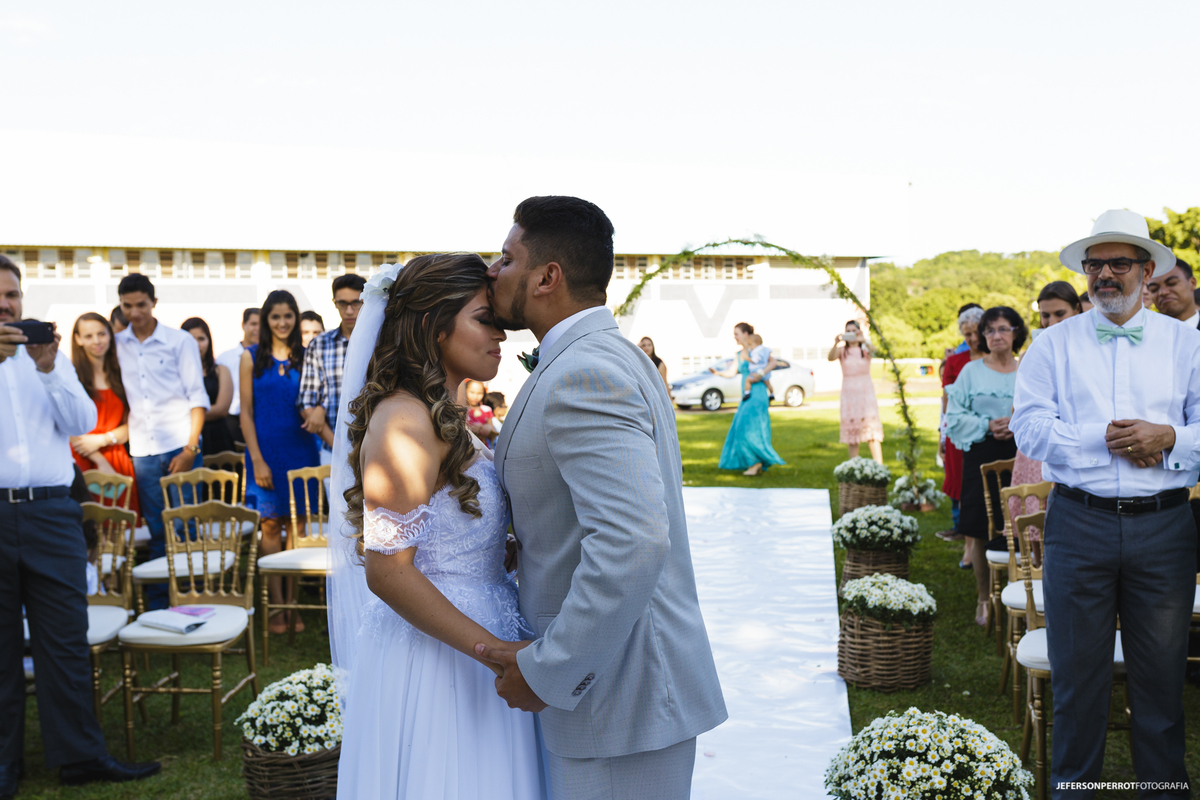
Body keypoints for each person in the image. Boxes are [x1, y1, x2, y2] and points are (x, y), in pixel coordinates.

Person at [481, 196, 727, 800]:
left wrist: (549, 671)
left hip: (621, 699)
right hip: (617, 696)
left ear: (547, 277)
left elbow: (633, 540)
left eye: (505, 257)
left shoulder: (582, 374)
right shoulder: (598, 358)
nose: (493, 271)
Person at [329, 253, 546, 798]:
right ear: (432, 323)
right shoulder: (404, 419)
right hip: (439, 657)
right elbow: (388, 571)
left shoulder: (446, 415)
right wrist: (493, 652)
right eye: (484, 319)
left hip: (479, 633)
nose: (500, 335)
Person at [1011, 209, 1200, 795]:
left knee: (1161, 684)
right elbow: (1030, 430)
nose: (1105, 275)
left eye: (1120, 263)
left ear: (1148, 272)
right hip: (1078, 524)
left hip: (1165, 528)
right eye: (1095, 265)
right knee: (1077, 683)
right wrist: (1103, 439)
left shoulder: (1185, 342)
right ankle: (1075, 790)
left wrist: (1168, 438)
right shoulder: (1051, 344)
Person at [0, 256, 161, 793]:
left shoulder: (45, 356)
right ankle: (5, 765)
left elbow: (81, 423)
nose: (7, 304)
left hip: (50, 511)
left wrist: (49, 368)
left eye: (13, 294)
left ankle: (80, 757)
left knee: (65, 641)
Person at [115, 274, 209, 610]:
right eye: (128, 306)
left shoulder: (179, 341)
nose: (135, 312)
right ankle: (160, 606)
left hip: (179, 445)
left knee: (185, 528)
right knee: (157, 530)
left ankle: (193, 600)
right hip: (142, 450)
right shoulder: (118, 343)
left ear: (153, 302)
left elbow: (197, 397)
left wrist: (190, 449)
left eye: (141, 304)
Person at [240, 290, 319, 635]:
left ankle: (293, 603)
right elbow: (245, 412)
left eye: (289, 316)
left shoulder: (308, 355)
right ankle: (276, 607)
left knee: (298, 527)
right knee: (270, 526)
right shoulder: (250, 357)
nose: (283, 323)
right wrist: (256, 459)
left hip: (302, 451)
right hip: (264, 453)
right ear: (266, 319)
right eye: (276, 317)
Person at [945, 306, 1025, 628]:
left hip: (1023, 454)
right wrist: (987, 424)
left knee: (1022, 524)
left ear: (1016, 332)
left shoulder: (1028, 369)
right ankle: (984, 596)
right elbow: (954, 415)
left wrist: (1017, 424)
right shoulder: (970, 372)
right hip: (980, 454)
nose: (995, 336)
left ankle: (1022, 593)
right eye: (989, 331)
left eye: (1002, 329)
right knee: (978, 526)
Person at [68, 312, 138, 516]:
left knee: (121, 528)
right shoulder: (71, 375)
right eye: (88, 336)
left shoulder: (122, 372)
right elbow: (68, 427)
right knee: (90, 525)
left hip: (116, 457)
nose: (97, 341)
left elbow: (133, 423)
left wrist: (103, 439)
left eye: (101, 334)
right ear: (78, 339)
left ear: (110, 335)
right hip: (84, 458)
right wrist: (98, 458)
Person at [299, 274, 366, 465]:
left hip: (376, 448)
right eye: (343, 303)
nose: (349, 310)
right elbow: (306, 401)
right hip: (333, 450)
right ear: (335, 303)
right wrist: (339, 448)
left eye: (356, 303)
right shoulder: (320, 344)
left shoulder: (381, 342)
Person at [936, 306, 984, 548]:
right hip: (961, 431)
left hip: (991, 432)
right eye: (968, 335)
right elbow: (946, 403)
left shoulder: (995, 357)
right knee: (966, 485)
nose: (973, 339)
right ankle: (968, 543)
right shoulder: (954, 361)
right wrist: (942, 437)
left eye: (977, 332)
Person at [711, 322, 786, 476]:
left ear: (746, 334)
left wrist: (761, 372)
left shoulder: (757, 350)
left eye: (737, 334)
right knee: (742, 427)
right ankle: (754, 461)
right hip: (747, 394)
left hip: (757, 393)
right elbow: (732, 372)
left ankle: (755, 463)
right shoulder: (739, 354)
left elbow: (773, 362)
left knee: (751, 428)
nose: (735, 337)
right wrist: (718, 373)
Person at [829, 319, 883, 463]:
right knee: (853, 433)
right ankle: (854, 465)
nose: (851, 334)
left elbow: (877, 353)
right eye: (849, 331)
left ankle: (879, 465)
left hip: (865, 392)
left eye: (854, 331)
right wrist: (836, 342)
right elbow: (830, 358)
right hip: (849, 393)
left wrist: (863, 339)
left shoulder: (865, 349)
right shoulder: (842, 350)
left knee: (871, 431)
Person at [181, 318, 235, 456]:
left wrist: (188, 417)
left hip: (216, 437)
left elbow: (222, 409)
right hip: (183, 438)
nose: (197, 345)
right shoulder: (174, 373)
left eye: (201, 339)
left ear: (209, 341)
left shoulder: (221, 371)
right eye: (191, 339)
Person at [215, 308, 259, 446]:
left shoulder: (271, 359)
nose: (258, 329)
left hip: (260, 420)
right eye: (253, 324)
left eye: (262, 324)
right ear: (243, 325)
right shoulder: (224, 358)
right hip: (230, 422)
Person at [1148, 256, 1199, 328]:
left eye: (1172, 283)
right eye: (1154, 289)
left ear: (1192, 283)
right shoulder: (1146, 334)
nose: (1163, 292)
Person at [464, 379, 497, 447]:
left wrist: (488, 428)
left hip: (483, 449)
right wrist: (468, 428)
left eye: (479, 393)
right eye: (472, 392)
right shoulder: (461, 409)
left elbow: (493, 433)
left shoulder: (487, 410)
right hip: (466, 447)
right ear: (465, 390)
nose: (475, 396)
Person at [745, 333, 775, 401]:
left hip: (757, 371)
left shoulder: (757, 352)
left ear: (757, 343)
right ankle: (772, 394)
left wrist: (747, 358)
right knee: (768, 384)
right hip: (764, 372)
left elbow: (755, 360)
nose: (750, 347)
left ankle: (747, 393)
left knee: (748, 380)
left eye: (751, 345)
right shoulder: (764, 350)